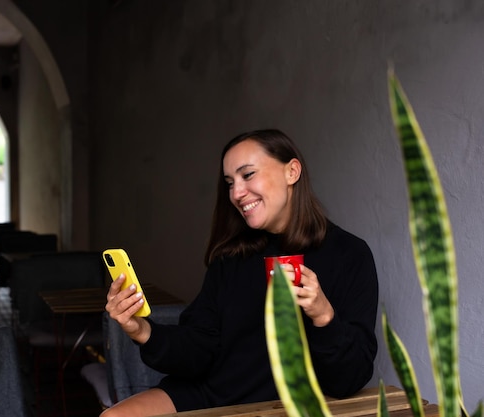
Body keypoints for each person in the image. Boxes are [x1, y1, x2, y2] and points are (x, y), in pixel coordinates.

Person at [102, 129, 378, 417]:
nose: (235, 193)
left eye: (247, 175)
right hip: (212, 393)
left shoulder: (349, 254)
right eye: (229, 182)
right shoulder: (231, 257)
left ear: (292, 171)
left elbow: (351, 379)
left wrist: (323, 316)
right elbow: (199, 348)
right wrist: (143, 331)